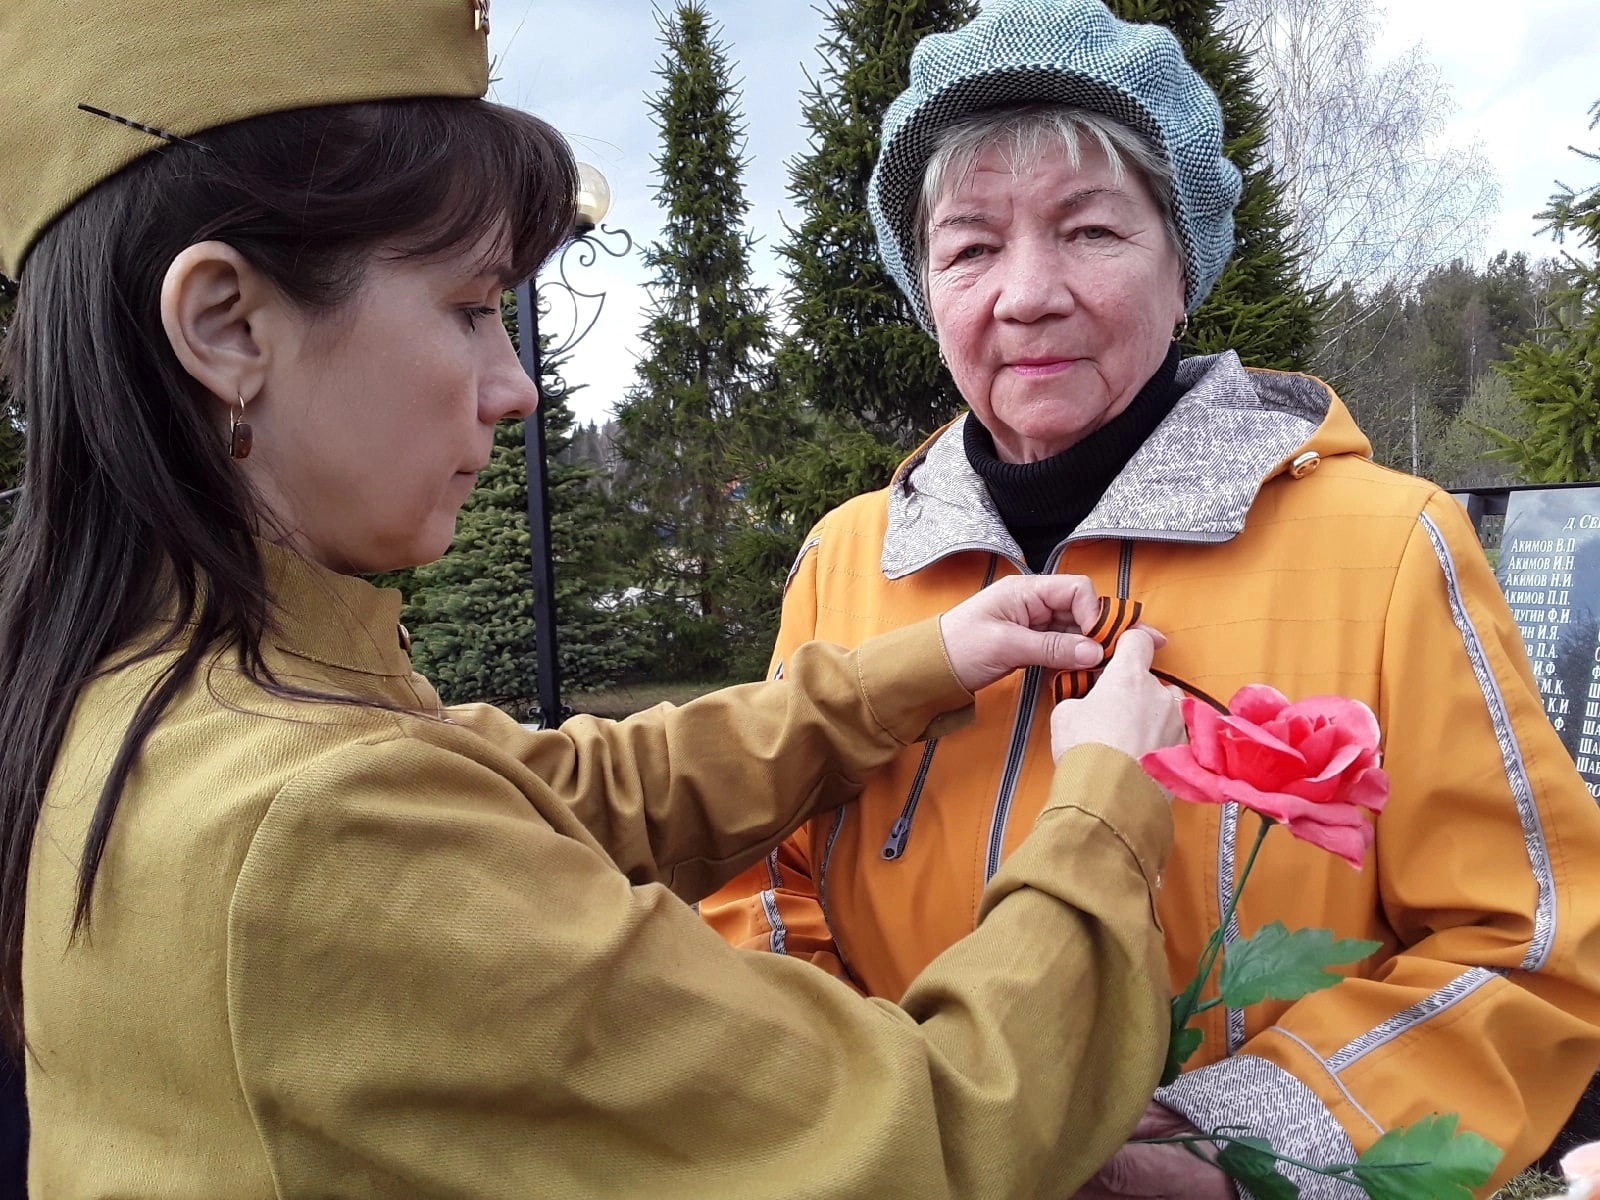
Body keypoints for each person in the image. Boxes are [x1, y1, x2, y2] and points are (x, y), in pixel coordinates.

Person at [0, 1, 1196, 1195]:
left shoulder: (157, 698)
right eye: (470, 306)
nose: (512, 385)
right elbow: (925, 1133)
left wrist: (919, 661)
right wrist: (1106, 808)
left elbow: (568, 794)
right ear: (224, 323)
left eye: (1091, 231)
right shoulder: (310, 819)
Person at [700, 0, 1600, 1195]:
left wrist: (1236, 1150)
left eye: (1088, 232)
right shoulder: (847, 560)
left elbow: (1528, 954)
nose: (1025, 294)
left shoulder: (1387, 547)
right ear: (928, 292)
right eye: (969, 247)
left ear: (1184, 265)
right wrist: (879, 1112)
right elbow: (760, 891)